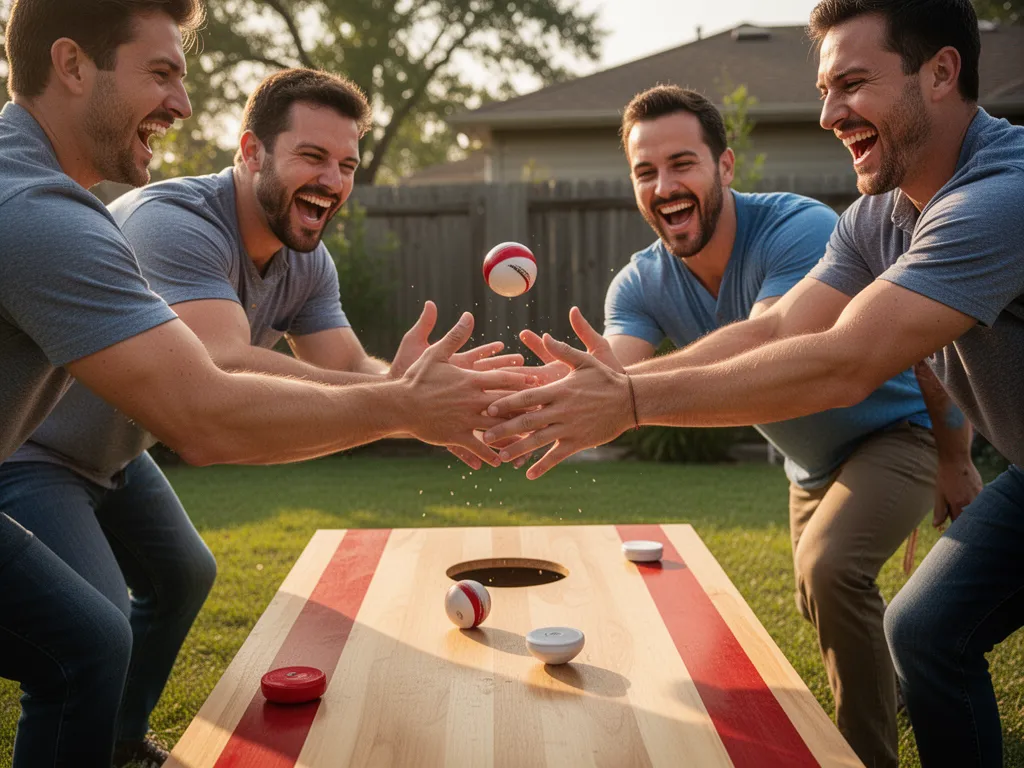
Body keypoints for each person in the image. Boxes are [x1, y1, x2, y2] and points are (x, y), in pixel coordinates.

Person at [484, 1, 1023, 765]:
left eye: (853, 84)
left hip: (888, 435)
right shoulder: (876, 218)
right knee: (922, 631)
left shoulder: (999, 197)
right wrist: (573, 392)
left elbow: (844, 361)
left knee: (862, 590)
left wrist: (630, 401)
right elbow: (777, 333)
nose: (829, 114)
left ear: (941, 72)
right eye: (825, 90)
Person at [0, 1, 527, 765]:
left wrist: (431, 389)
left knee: (182, 575)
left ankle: (119, 741)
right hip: (40, 454)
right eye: (161, 73)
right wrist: (405, 406)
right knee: (88, 642)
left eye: (347, 165)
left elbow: (343, 370)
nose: (183, 103)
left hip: (114, 452)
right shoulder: (135, 219)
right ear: (73, 65)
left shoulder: (302, 258)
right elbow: (214, 389)